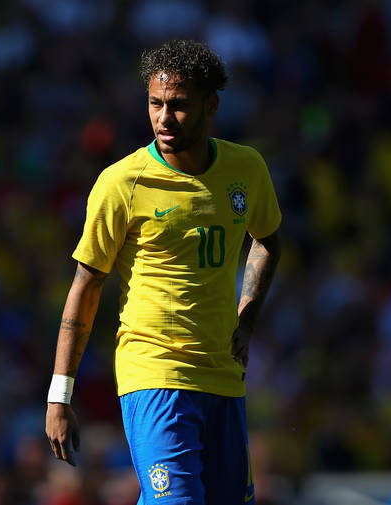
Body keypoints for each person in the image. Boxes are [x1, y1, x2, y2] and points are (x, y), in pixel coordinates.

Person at [45, 39, 282, 505]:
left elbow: (268, 238)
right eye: (155, 103)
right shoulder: (122, 183)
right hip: (154, 372)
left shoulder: (246, 168)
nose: (164, 118)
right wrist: (60, 394)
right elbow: (85, 287)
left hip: (222, 374)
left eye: (179, 105)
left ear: (211, 105)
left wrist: (247, 318)